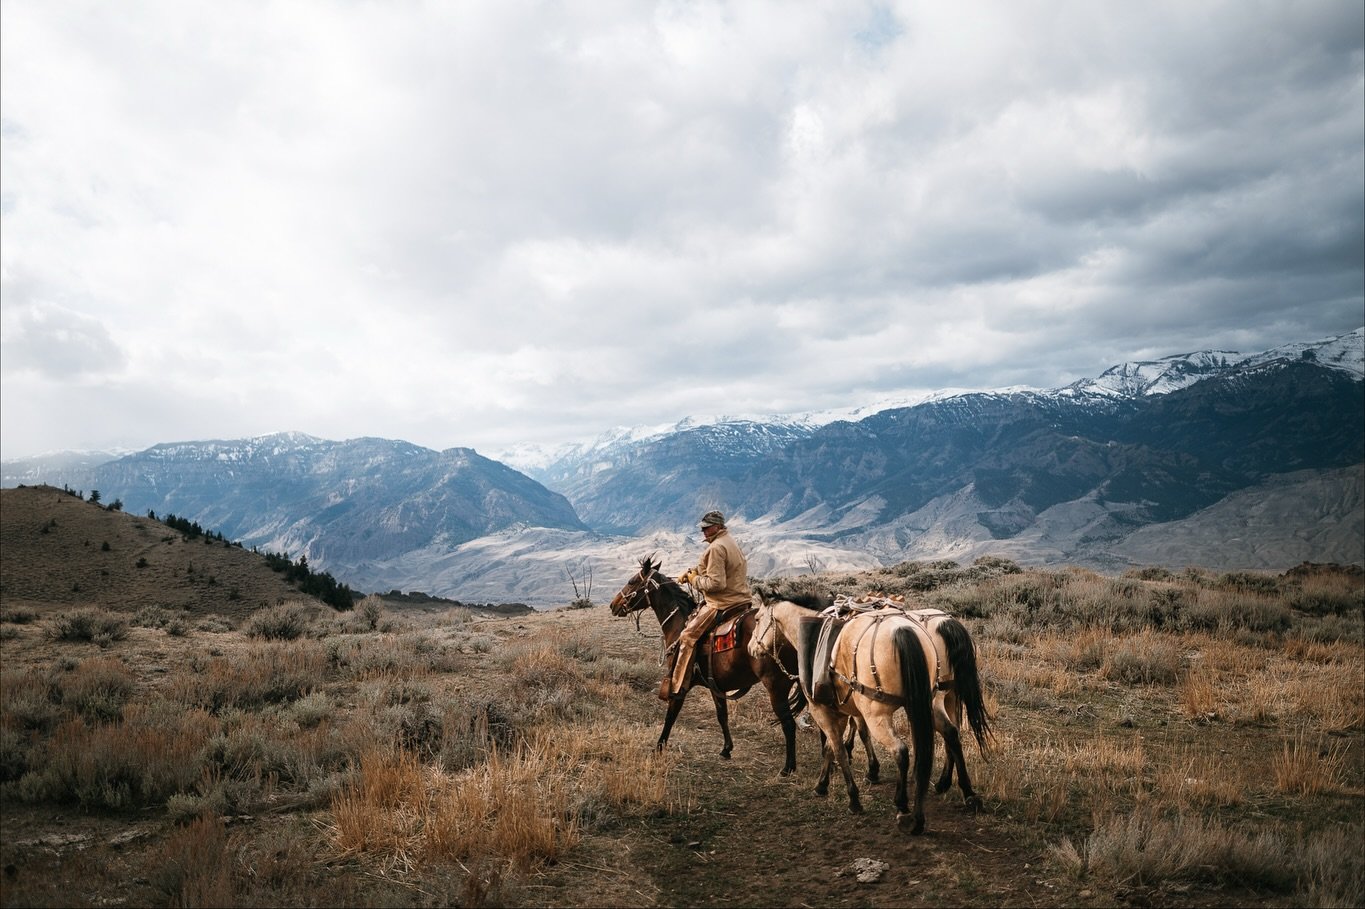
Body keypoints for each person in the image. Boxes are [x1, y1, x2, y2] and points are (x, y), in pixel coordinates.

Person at [662, 510, 752, 701]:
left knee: (687, 636)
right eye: (702, 527)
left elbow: (716, 584)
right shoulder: (729, 541)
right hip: (740, 599)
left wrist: (694, 580)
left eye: (707, 527)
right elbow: (715, 569)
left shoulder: (716, 548)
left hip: (722, 602)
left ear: (718, 526)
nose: (703, 530)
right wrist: (692, 572)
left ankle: (677, 686)